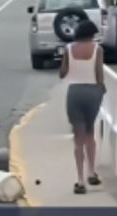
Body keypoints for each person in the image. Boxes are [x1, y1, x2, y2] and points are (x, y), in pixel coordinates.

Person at [60, 20, 106, 194]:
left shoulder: (68, 49)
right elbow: (99, 74)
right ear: (92, 33)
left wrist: (66, 63)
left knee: (78, 136)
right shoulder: (97, 49)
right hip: (93, 91)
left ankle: (80, 181)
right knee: (89, 133)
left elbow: (62, 73)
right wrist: (102, 89)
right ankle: (92, 172)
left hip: (75, 92)